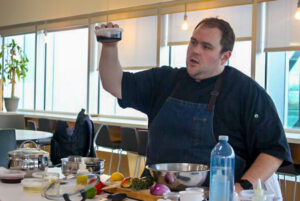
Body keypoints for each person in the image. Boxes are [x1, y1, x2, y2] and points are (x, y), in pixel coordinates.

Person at [98, 17, 292, 196]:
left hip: (213, 196)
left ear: (225, 57)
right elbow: (114, 84)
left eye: (206, 47)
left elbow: (273, 150)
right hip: (157, 191)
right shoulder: (164, 81)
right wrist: (109, 45)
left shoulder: (246, 92)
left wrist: (241, 187)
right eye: (193, 42)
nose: (195, 50)